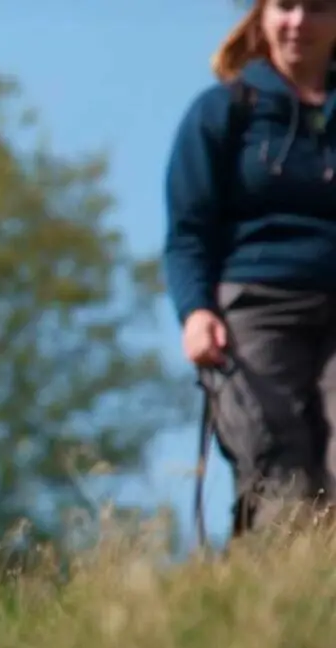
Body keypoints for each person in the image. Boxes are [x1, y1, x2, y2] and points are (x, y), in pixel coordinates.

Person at [163, 0, 336, 545]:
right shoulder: (223, 111)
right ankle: (277, 615)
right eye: (285, 6)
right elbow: (188, 231)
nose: (299, 22)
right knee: (280, 474)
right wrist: (195, 312)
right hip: (255, 309)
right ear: (262, 15)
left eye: (318, 8)